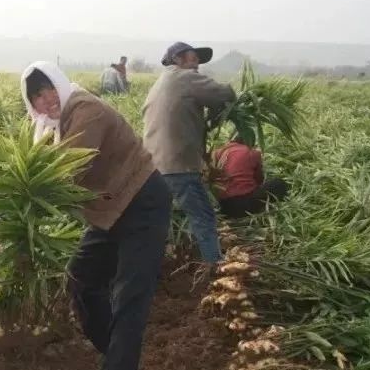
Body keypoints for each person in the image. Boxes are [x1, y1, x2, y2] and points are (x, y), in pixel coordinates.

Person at [21, 61, 171, 370]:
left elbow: (67, 169)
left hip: (142, 203)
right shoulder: (53, 126)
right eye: (37, 96)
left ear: (60, 85)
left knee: (131, 295)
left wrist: (26, 199)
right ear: (30, 102)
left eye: (49, 90)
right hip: (109, 212)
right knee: (81, 279)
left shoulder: (88, 111)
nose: (47, 99)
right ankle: (115, 353)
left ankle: (119, 362)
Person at [142, 42, 236, 264]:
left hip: (154, 165)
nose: (196, 66)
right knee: (203, 216)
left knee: (158, 221)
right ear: (177, 60)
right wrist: (233, 96)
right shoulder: (183, 78)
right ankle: (215, 267)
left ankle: (154, 267)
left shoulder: (161, 83)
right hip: (177, 166)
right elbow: (222, 93)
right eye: (192, 60)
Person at [213, 136, 289, 218]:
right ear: (250, 143)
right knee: (278, 183)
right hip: (244, 205)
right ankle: (275, 211)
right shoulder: (252, 152)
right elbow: (259, 180)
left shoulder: (217, 152)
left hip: (224, 207)